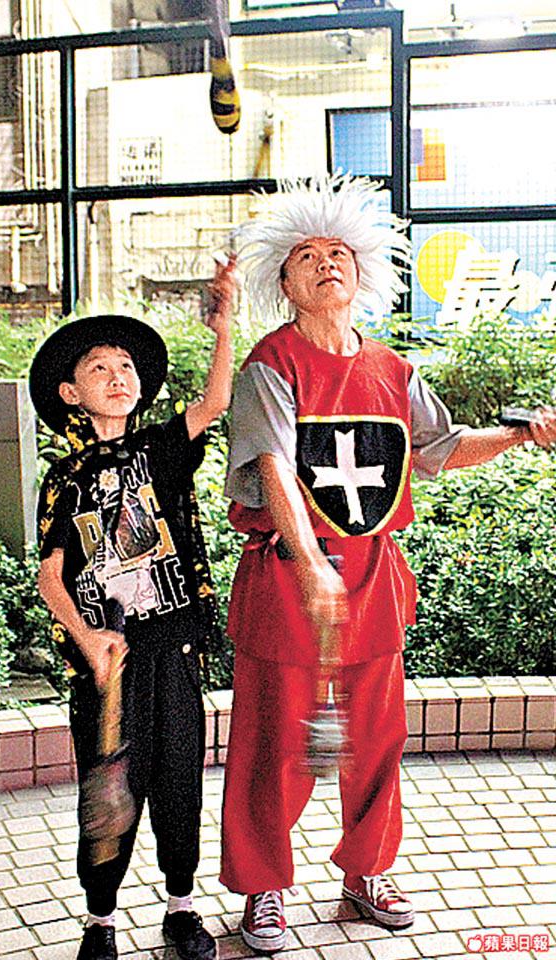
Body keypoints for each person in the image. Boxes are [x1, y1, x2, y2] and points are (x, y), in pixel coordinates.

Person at [218, 174, 556, 952]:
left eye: (339, 253)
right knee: (275, 744)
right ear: (286, 284)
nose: (327, 264)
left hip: (372, 578)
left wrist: (520, 435)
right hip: (287, 576)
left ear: (361, 271)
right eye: (307, 256)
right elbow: (273, 468)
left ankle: (366, 872)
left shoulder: (393, 369)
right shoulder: (272, 365)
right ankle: (264, 887)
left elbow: (441, 448)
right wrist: (310, 564)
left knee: (375, 737)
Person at [28, 256, 236, 960]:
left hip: (172, 647)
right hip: (106, 660)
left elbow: (214, 401)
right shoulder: (65, 478)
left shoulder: (161, 451)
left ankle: (182, 906)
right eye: (99, 368)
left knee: (179, 780)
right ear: (70, 393)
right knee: (107, 793)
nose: (117, 376)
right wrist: (87, 640)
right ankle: (100, 920)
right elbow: (50, 577)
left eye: (126, 367)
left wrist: (223, 324)